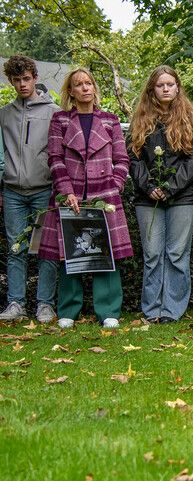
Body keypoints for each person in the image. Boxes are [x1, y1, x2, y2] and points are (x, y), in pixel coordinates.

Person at [36, 68, 132, 329]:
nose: (85, 88)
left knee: (105, 254)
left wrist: (116, 184)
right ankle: (68, 310)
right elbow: (55, 158)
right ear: (71, 91)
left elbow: (122, 160)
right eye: (79, 84)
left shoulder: (111, 121)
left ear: (95, 88)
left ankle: (109, 310)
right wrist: (66, 191)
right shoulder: (60, 120)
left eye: (89, 83)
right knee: (71, 251)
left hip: (105, 195)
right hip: (72, 195)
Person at [128, 66, 193, 323]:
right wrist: (149, 187)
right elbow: (133, 158)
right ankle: (152, 310)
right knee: (152, 254)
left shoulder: (190, 118)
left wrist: (170, 187)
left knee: (176, 254)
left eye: (170, 84)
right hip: (146, 197)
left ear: (178, 87)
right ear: (152, 89)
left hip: (183, 196)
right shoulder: (140, 119)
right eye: (161, 85)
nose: (166, 89)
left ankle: (172, 310)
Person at [0, 55, 59, 323]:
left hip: (44, 189)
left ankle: (45, 304)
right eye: (16, 80)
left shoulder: (53, 112)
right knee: (16, 248)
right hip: (13, 191)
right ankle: (16, 303)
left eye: (26, 78)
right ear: (10, 81)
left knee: (45, 250)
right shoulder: (5, 114)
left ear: (35, 78)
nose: (22, 84)